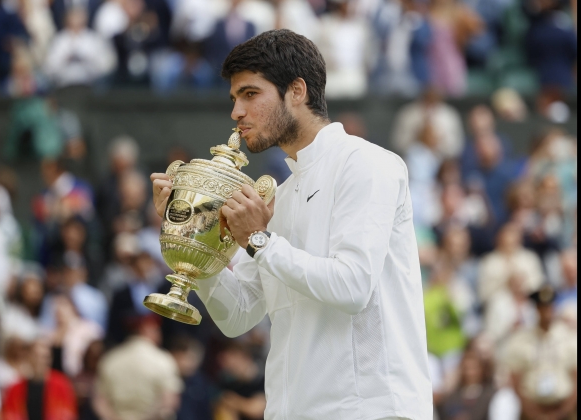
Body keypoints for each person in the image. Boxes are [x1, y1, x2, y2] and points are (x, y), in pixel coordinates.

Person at [151, 29, 432, 420]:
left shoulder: (366, 164)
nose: (236, 113)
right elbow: (238, 316)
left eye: (250, 94)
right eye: (234, 98)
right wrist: (192, 239)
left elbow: (352, 286)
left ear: (297, 91)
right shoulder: (278, 198)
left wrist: (259, 241)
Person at [501, 286, 578, 420]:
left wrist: (564, 411)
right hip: (532, 409)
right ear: (536, 309)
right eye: (542, 308)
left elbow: (575, 377)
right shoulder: (521, 339)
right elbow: (515, 380)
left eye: (549, 307)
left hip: (563, 408)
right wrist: (533, 413)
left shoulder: (569, 337)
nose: (546, 313)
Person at [93, 314, 182, 420]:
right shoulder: (163, 360)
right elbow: (169, 400)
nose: (159, 333)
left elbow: (99, 401)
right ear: (145, 329)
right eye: (156, 329)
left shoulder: (110, 359)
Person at [2, 338, 77, 420]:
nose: (39, 360)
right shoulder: (15, 389)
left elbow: (68, 414)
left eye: (44, 357)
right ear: (28, 357)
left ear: (50, 359)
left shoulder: (62, 385)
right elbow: (8, 415)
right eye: (35, 356)